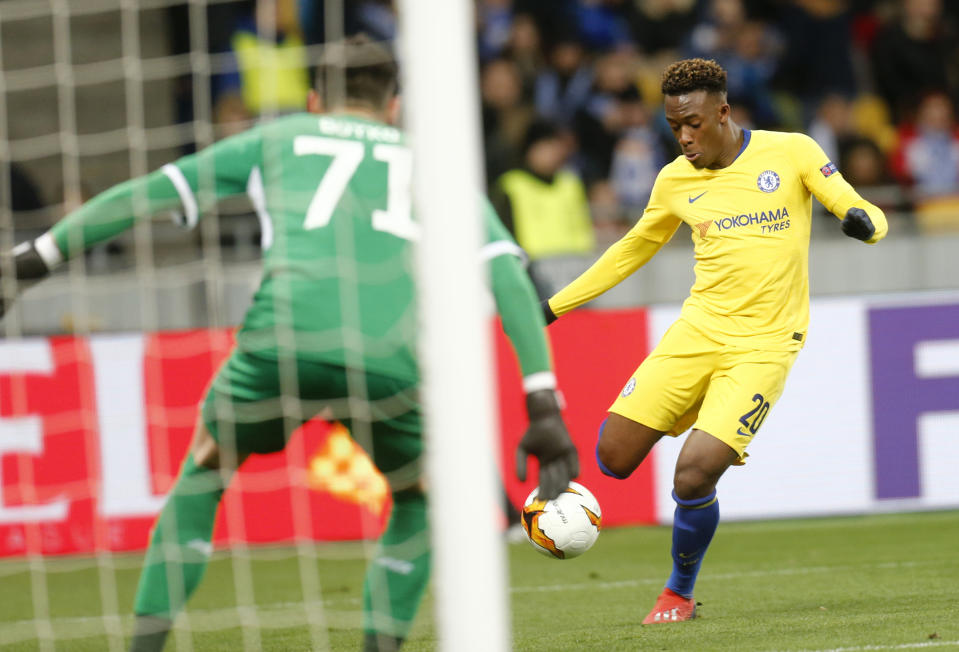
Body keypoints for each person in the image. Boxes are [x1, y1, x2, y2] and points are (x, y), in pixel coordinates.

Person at [0, 35, 580, 652]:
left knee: (205, 466)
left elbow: (143, 194)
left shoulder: (274, 140)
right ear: (393, 107)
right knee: (419, 499)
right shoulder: (433, 167)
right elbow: (507, 278)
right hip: (390, 361)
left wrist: (36, 258)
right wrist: (542, 402)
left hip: (277, 344)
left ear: (311, 100)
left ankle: (145, 645)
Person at [540, 58, 887, 624]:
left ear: (723, 112)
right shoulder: (674, 180)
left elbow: (858, 204)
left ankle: (677, 593)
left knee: (694, 471)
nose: (682, 138)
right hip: (700, 330)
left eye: (693, 124)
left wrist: (862, 222)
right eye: (673, 126)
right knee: (612, 457)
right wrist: (553, 307)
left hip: (765, 345)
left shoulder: (792, 151)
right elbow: (631, 249)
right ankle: (704, 407)